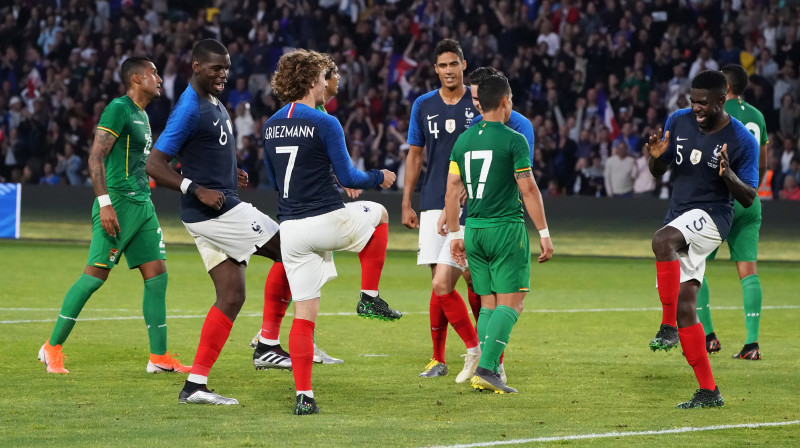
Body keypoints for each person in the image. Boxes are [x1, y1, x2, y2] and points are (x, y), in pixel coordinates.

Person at [146, 39, 290, 406]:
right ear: (196, 66)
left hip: (213, 210)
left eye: (226, 67)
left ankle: (195, 386)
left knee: (231, 296)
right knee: (295, 248)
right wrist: (198, 189)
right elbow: (155, 164)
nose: (223, 74)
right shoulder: (189, 109)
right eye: (215, 68)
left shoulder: (212, 100)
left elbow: (205, 151)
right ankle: (270, 344)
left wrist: (230, 172)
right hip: (217, 213)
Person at [262, 49, 398, 415]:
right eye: (324, 77)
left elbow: (273, 179)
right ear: (310, 80)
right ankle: (369, 296)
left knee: (304, 317)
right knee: (381, 214)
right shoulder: (326, 123)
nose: (327, 84)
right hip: (325, 221)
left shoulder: (271, 123)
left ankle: (304, 398)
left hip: (289, 229)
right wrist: (380, 178)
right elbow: (350, 178)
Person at [38, 57, 190, 375]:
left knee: (157, 277)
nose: (160, 79)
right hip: (117, 204)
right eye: (154, 73)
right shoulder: (119, 108)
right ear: (136, 78)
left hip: (143, 205)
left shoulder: (143, 116)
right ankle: (52, 347)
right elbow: (96, 156)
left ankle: (159, 358)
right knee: (95, 276)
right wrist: (104, 203)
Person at [646, 70, 758, 408]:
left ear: (722, 101)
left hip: (713, 217)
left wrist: (728, 175)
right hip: (680, 216)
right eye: (692, 101)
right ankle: (709, 391)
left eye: (703, 103)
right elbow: (659, 170)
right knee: (686, 310)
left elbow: (749, 196)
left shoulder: (741, 140)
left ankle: (665, 326)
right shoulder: (678, 121)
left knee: (661, 241)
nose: (696, 107)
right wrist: (655, 159)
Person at [445, 74, 553, 394]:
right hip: (505, 228)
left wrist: (454, 234)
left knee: (489, 303)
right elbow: (529, 189)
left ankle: (486, 365)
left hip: (473, 229)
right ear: (505, 102)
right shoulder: (514, 139)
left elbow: (452, 191)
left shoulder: (463, 140)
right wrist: (544, 232)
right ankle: (488, 368)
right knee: (513, 302)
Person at [248, 52, 346, 366]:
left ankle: (275, 337)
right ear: (318, 80)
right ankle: (269, 337)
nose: (337, 78)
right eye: (332, 73)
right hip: (308, 208)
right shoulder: (317, 117)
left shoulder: (289, 117)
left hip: (297, 205)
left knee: (296, 264)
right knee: (295, 261)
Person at [402, 39, 483, 382]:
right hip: (434, 198)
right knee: (439, 280)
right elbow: (415, 155)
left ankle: (485, 351)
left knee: (474, 278)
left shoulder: (477, 101)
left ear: (464, 65)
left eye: (454, 64)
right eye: (443, 65)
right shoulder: (422, 105)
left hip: (473, 201)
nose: (449, 70)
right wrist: (406, 201)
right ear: (435, 69)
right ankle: (438, 358)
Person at [696, 64, 768, 360]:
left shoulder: (717, 113)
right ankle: (752, 344)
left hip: (719, 200)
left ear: (724, 87)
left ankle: (709, 337)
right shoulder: (757, 116)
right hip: (749, 201)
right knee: (748, 271)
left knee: (694, 265)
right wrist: (749, 191)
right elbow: (763, 163)